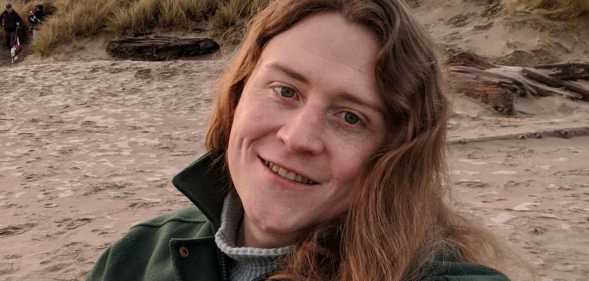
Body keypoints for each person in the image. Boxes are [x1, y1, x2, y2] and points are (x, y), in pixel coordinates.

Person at [86, 0, 511, 280]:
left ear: (395, 152)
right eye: (285, 91)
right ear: (237, 95)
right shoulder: (136, 256)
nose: (298, 138)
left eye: (350, 117)